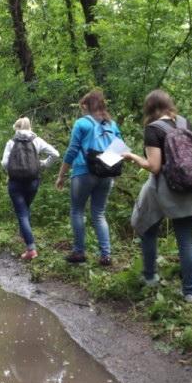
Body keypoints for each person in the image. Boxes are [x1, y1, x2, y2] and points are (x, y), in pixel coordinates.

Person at [123, 90, 192, 303]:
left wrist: (132, 157)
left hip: (167, 189)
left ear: (149, 109)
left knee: (148, 230)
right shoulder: (185, 123)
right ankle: (189, 292)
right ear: (169, 105)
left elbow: (154, 166)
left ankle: (150, 277)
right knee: (186, 240)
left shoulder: (153, 129)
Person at [55, 90, 122, 266]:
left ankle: (79, 252)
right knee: (99, 214)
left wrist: (61, 175)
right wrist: (106, 165)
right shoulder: (112, 125)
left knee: (77, 211)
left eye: (82, 107)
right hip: (106, 174)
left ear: (85, 105)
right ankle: (106, 255)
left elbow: (72, 151)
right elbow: (121, 149)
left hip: (83, 172)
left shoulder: (82, 123)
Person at [1, 117, 60, 260]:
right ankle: (24, 235)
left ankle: (31, 248)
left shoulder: (11, 142)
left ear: (17, 128)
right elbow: (56, 154)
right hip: (32, 182)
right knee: (25, 210)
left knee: (22, 213)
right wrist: (43, 164)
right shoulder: (37, 140)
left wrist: (12, 169)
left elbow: (4, 163)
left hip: (15, 182)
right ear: (30, 127)